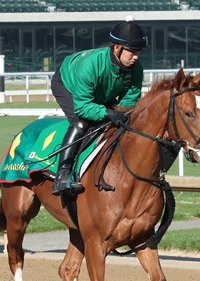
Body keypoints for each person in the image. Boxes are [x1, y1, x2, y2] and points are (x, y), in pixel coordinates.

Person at [50, 16, 148, 195]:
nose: (136, 57)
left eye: (139, 52)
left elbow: (129, 103)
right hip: (67, 84)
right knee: (82, 123)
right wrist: (110, 113)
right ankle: (62, 174)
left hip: (101, 92)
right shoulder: (90, 66)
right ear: (117, 48)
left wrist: (118, 114)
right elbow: (83, 107)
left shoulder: (136, 69)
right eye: (132, 51)